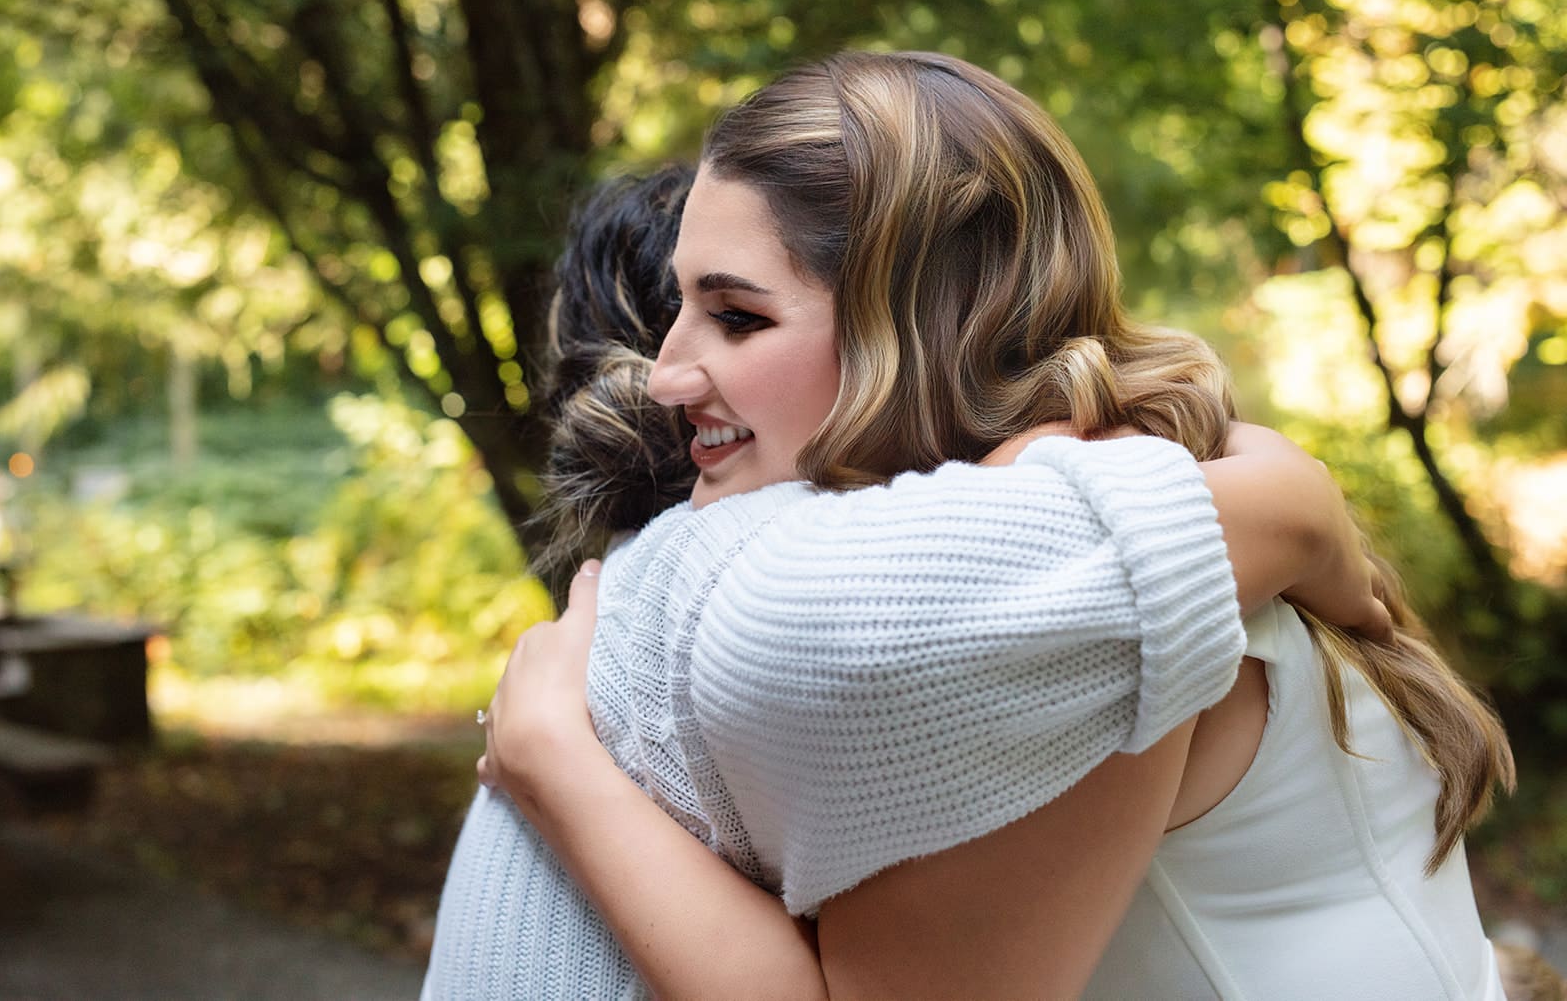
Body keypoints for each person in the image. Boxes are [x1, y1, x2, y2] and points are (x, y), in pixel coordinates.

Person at [425, 51, 1512, 999]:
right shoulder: (1116, 482)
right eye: (678, 307)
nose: (663, 376)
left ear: (919, 328)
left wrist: (555, 760)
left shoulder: (1030, 602)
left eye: (739, 314)